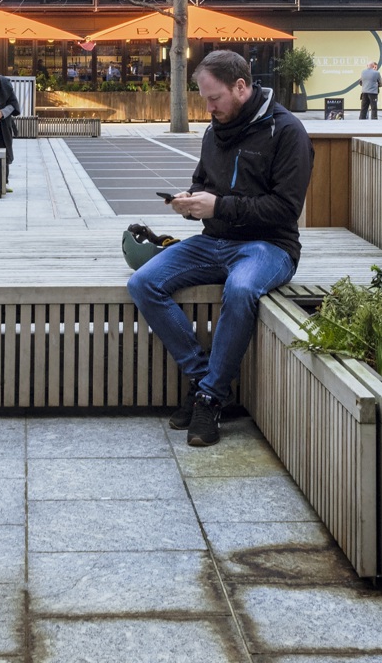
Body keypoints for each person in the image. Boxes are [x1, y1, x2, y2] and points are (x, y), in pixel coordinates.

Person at [125, 47, 314, 448]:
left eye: (214, 99)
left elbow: (286, 209)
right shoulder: (214, 131)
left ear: (241, 87)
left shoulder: (288, 132)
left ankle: (209, 398)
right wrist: (191, 203)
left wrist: (219, 205)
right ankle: (203, 377)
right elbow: (204, 185)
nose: (208, 108)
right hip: (213, 240)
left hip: (269, 246)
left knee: (242, 289)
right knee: (143, 283)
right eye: (204, 99)